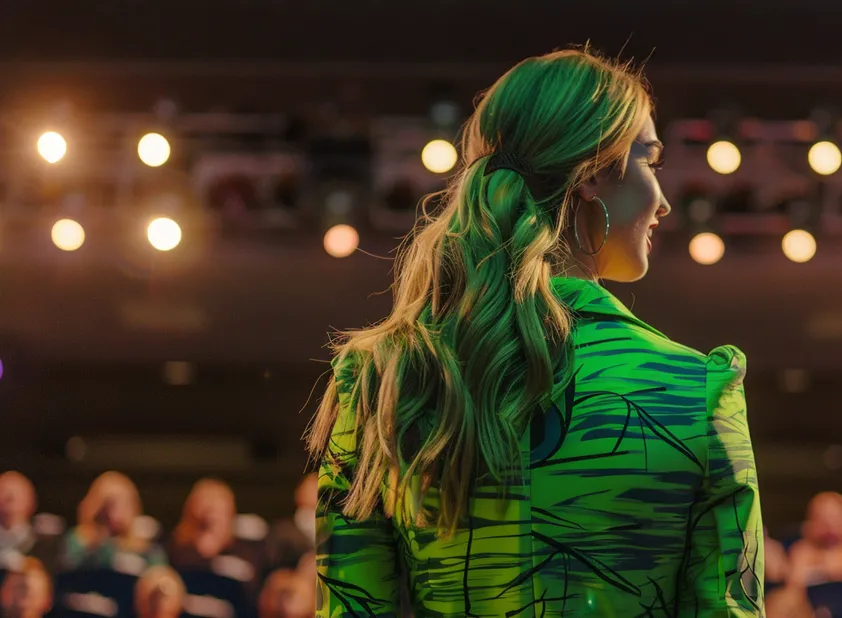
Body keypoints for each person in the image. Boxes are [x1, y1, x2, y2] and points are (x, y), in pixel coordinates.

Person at [305, 45, 765, 616]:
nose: (665, 201)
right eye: (651, 161)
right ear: (594, 173)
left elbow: (349, 607)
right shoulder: (695, 389)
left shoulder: (382, 376)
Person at [167, 478, 262, 601]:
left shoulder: (246, 556)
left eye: (216, 512)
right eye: (202, 523)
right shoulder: (173, 553)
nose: (209, 518)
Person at [59, 471, 167, 573]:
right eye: (107, 505)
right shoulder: (78, 540)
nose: (113, 514)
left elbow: (159, 575)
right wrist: (99, 539)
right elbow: (69, 570)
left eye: (122, 504)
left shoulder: (148, 549)